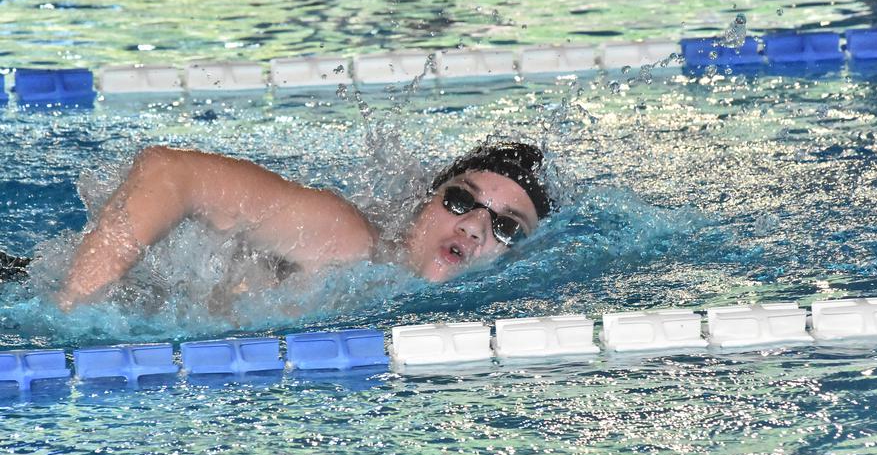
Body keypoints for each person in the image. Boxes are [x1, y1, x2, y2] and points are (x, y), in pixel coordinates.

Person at [34, 141, 553, 310]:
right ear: (423, 207)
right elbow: (170, 172)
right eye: (461, 201)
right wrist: (73, 312)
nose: (474, 227)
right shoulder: (346, 241)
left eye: (508, 228)